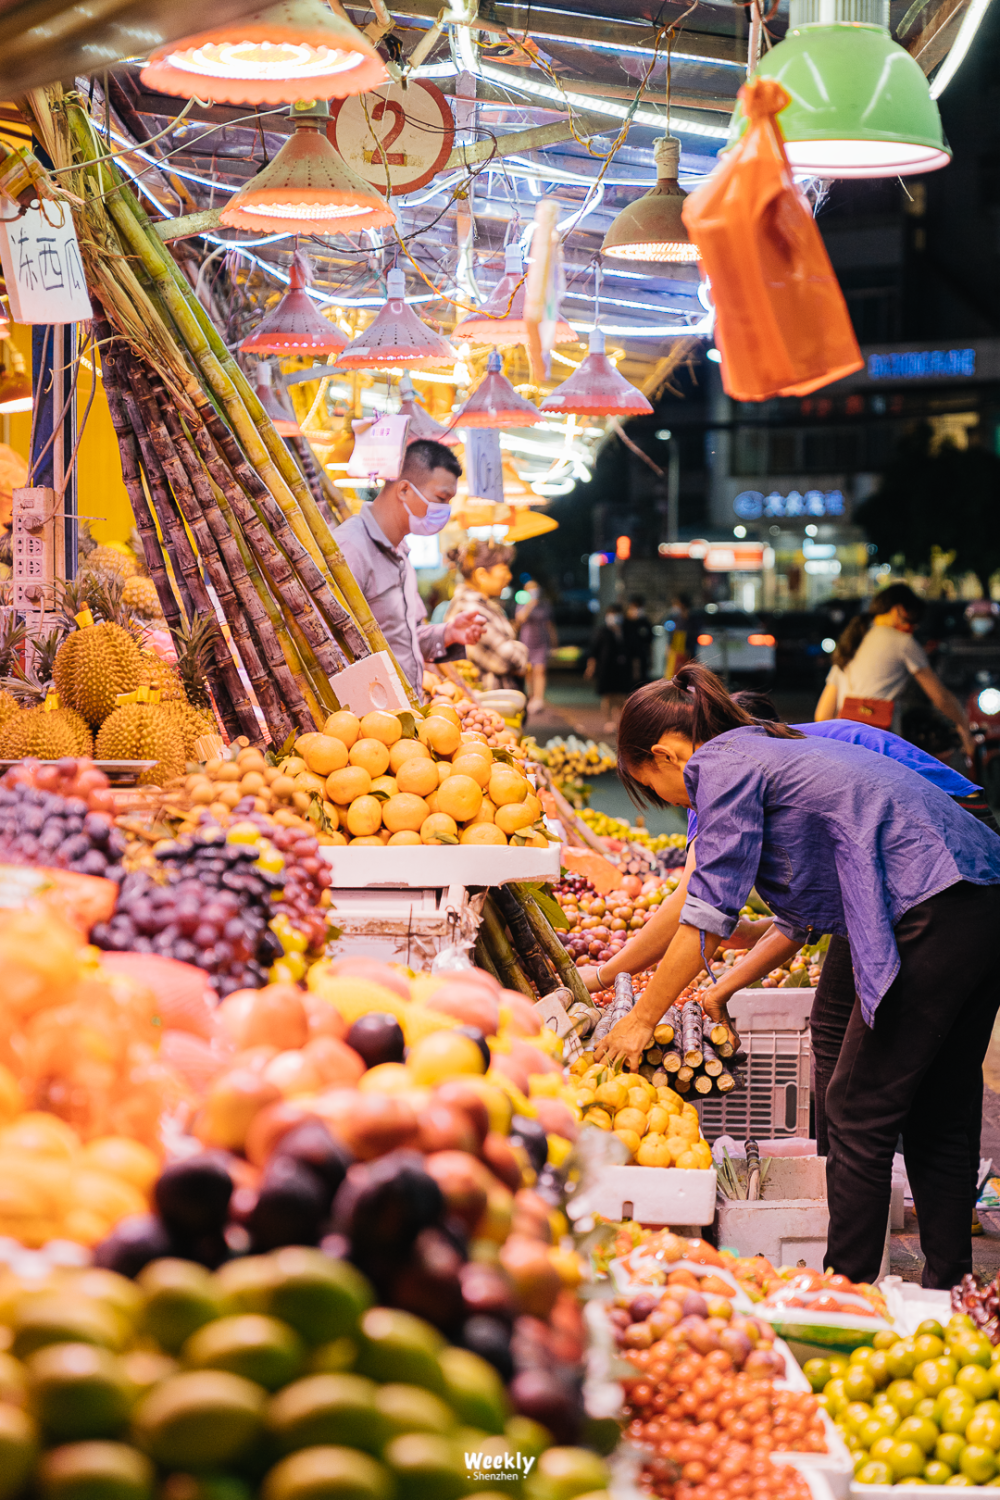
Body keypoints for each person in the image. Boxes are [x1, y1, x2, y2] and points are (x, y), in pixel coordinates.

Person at [593, 664, 1000, 1288]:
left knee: (856, 1107)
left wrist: (642, 1016)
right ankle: (950, 1285)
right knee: (941, 1102)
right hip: (980, 892)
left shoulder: (719, 765)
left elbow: (704, 911)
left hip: (931, 899)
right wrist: (721, 985)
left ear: (665, 753)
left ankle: (845, 1292)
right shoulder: (771, 742)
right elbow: (782, 916)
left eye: (655, 785)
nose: (676, 804)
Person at [334, 440, 485, 699]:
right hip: (367, 719)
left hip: (404, 714)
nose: (445, 511)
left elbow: (405, 637)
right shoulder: (349, 548)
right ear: (404, 489)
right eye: (441, 498)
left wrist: (448, 633)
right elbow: (329, 647)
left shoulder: (402, 553)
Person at [815, 583, 975, 758]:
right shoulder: (903, 642)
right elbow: (940, 697)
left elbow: (822, 715)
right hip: (881, 748)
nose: (914, 628)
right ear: (899, 611)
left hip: (845, 746)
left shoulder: (850, 643)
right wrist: (964, 726)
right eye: (915, 619)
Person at [445, 539, 528, 692]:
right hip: (490, 704)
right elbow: (507, 658)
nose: (509, 576)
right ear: (482, 574)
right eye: (505, 569)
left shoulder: (484, 605)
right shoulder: (470, 608)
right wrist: (522, 651)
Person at [584, 604, 631, 734]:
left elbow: (632, 650)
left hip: (622, 669)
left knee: (622, 696)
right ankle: (608, 721)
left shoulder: (626, 631)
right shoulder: (602, 631)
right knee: (607, 696)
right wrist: (590, 667)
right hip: (606, 668)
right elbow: (594, 651)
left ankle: (620, 721)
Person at [515, 579, 557, 716]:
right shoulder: (522, 604)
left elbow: (550, 624)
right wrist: (529, 605)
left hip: (541, 641)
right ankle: (531, 696)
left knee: (540, 670)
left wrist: (554, 641)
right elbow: (519, 620)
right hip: (527, 642)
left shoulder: (545, 605)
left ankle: (539, 699)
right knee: (528, 671)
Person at [624, 596, 654, 689]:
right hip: (627, 658)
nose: (637, 610)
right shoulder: (625, 623)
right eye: (635, 607)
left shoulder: (645, 623)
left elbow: (649, 642)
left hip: (642, 658)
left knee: (641, 684)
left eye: (639, 607)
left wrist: (651, 659)